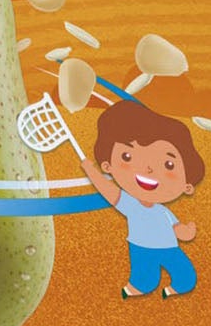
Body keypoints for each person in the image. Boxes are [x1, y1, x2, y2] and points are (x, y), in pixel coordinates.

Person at [79, 100, 204, 299]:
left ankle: (172, 290)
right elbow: (109, 191)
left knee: (186, 276)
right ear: (108, 166)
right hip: (141, 248)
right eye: (127, 156)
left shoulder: (162, 210)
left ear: (187, 185)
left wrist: (183, 231)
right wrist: (91, 171)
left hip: (169, 246)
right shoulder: (131, 204)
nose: (148, 169)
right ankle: (132, 290)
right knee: (145, 280)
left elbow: (173, 225)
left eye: (168, 164)